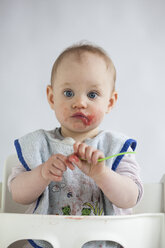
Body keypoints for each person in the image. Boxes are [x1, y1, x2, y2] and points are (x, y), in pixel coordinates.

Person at [8, 42, 143, 248]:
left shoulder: (116, 147)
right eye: (69, 93)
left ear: (110, 102)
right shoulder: (39, 145)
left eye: (92, 94)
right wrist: (42, 173)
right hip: (48, 241)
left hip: (104, 241)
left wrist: (102, 174)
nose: (79, 102)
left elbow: (131, 197)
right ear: (52, 97)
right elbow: (17, 194)